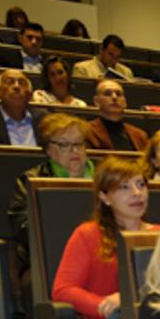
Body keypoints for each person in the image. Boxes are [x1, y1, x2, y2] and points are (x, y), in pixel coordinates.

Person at [52, 158, 153, 319]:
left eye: (141, 184)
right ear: (105, 197)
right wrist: (105, 305)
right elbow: (62, 290)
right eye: (124, 187)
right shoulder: (88, 235)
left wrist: (131, 298)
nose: (136, 193)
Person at [9, 114, 95, 293]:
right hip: (50, 258)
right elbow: (22, 225)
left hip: (100, 254)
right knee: (33, 283)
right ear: (48, 149)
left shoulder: (104, 177)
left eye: (79, 144)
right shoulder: (31, 180)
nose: (74, 150)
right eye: (64, 145)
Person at [86, 79, 148, 152]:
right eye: (107, 93)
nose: (114, 97)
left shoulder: (140, 135)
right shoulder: (87, 131)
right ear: (96, 101)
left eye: (118, 94)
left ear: (125, 102)